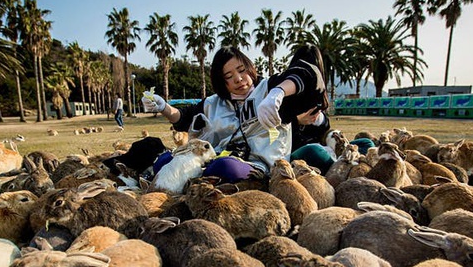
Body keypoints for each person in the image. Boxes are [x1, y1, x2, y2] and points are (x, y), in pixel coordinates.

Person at [141, 45, 325, 183]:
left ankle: (190, 179)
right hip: (213, 159)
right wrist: (163, 106)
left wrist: (278, 93)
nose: (238, 78)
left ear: (249, 67)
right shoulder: (213, 103)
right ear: (222, 81)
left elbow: (311, 75)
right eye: (228, 76)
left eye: (241, 70)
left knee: (225, 168)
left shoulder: (268, 89)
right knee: (164, 160)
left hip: (260, 167)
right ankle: (193, 177)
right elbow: (182, 119)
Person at [281, 44, 334, 176]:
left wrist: (320, 120)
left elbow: (324, 129)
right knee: (314, 151)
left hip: (319, 150)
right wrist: (297, 122)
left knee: (365, 142)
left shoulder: (318, 96)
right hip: (293, 154)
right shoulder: (283, 96)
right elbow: (274, 134)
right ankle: (335, 170)